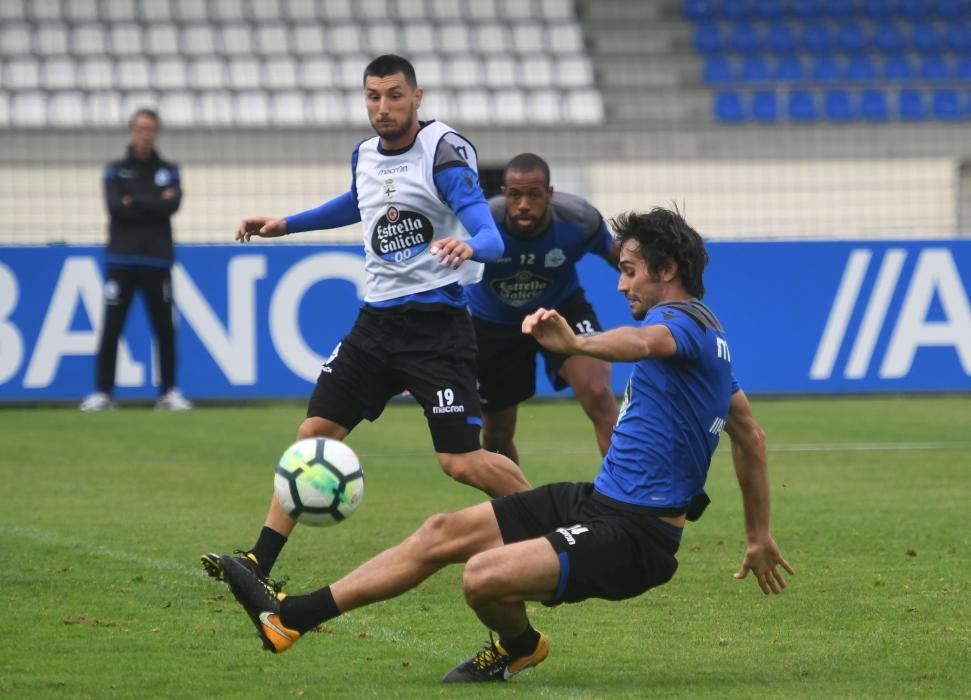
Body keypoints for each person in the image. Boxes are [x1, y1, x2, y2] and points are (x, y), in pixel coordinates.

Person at [215, 207, 794, 683]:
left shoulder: (683, 324)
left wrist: (578, 343)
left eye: (630, 270)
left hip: (637, 536)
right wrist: (757, 533)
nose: (620, 283)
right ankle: (290, 618)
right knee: (443, 531)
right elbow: (751, 436)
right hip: (597, 503)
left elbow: (643, 343)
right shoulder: (713, 344)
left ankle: (517, 644)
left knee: (482, 577)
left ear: (666, 270)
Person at [201, 55, 531, 587]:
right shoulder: (365, 155)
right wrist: (283, 225)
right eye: (374, 97)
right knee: (314, 435)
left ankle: (556, 522)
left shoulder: (443, 156)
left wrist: (467, 244)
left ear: (417, 98)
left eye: (395, 95)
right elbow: (358, 202)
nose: (383, 107)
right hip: (375, 328)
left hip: (436, 327)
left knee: (461, 461)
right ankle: (260, 562)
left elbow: (491, 238)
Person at [468, 153, 619, 462]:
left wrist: (659, 297)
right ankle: (512, 508)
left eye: (534, 195)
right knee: (496, 437)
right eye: (515, 195)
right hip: (493, 325)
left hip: (560, 311)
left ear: (549, 194)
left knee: (600, 395)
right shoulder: (479, 224)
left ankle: (627, 503)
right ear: (503, 193)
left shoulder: (580, 222)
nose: (524, 204)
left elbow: (622, 259)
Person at [80, 108, 192, 413]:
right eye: (140, 128)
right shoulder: (116, 170)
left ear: (156, 132)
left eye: (150, 129)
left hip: (157, 259)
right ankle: (103, 393)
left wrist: (136, 200)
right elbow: (117, 207)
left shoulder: (169, 170)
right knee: (112, 326)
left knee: (164, 328)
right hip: (122, 259)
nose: (145, 134)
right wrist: (155, 200)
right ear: (133, 131)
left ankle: (168, 393)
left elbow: (173, 206)